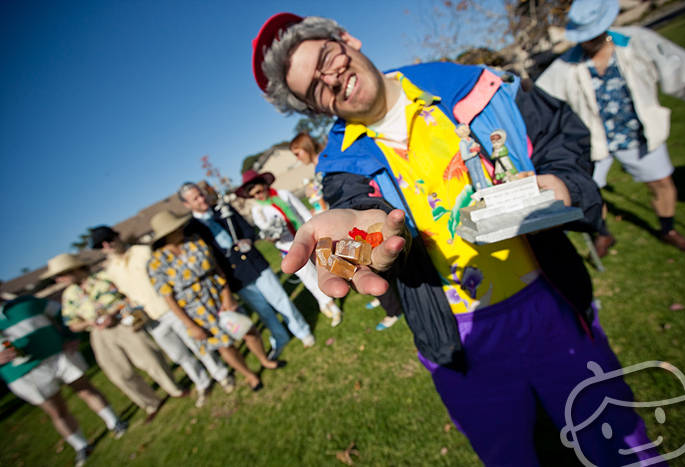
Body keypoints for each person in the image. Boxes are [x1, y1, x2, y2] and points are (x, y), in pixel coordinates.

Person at [251, 12, 660, 465]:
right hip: (458, 341)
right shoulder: (340, 165)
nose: (331, 78)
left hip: (551, 303)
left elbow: (561, 137)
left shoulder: (476, 86)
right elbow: (362, 213)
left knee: (619, 439)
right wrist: (365, 237)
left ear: (348, 39)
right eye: (315, 88)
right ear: (316, 109)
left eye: (327, 56)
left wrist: (562, 185)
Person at [536, 0, 685, 256]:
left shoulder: (636, 41)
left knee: (662, 183)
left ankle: (668, 229)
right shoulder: (565, 65)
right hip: (594, 141)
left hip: (638, 132)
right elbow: (539, 99)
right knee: (592, 192)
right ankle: (604, 233)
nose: (589, 40)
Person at [90, 226, 234, 408]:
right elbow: (126, 293)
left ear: (117, 236)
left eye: (108, 239)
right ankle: (202, 383)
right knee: (178, 355)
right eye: (101, 245)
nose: (107, 245)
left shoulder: (143, 252)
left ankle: (221, 375)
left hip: (172, 308)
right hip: (150, 318)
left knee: (198, 345)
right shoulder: (111, 270)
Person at [147, 211, 285, 392]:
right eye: (175, 228)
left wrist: (226, 294)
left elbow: (217, 268)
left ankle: (265, 360)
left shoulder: (194, 241)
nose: (181, 228)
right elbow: (169, 298)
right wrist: (190, 325)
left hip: (219, 297)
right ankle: (249, 375)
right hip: (196, 311)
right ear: (165, 235)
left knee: (246, 329)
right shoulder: (156, 263)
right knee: (223, 345)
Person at [179, 182, 315, 358]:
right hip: (235, 276)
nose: (201, 199)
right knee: (263, 310)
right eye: (195, 198)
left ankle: (302, 331)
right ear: (187, 204)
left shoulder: (223, 209)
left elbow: (247, 229)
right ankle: (280, 337)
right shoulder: (191, 229)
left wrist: (248, 241)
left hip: (254, 262)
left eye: (201, 194)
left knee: (281, 299)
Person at [46, 253, 186, 423]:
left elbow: (128, 294)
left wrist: (113, 312)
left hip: (122, 321)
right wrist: (89, 322)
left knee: (149, 358)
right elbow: (72, 323)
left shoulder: (104, 277)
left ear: (74, 269)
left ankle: (175, 390)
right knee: (119, 373)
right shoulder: (69, 295)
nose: (58, 280)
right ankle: (151, 403)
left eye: (60, 275)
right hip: (98, 334)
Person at [291, 132, 404, 331]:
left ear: (306, 147)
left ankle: (392, 309)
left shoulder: (329, 160)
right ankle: (381, 299)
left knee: (369, 259)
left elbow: (338, 191)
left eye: (297, 152)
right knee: (359, 264)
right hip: (335, 220)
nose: (296, 158)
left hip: (348, 217)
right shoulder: (319, 168)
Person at [1, 295, 127, 467]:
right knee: (56, 411)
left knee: (86, 389)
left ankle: (115, 422)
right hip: (22, 373)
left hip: (59, 354)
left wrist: (70, 336)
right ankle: (82, 446)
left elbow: (63, 313)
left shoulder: (27, 302)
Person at [234, 170, 343, 327]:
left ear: (264, 185)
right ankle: (331, 306)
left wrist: (314, 231)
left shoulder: (284, 195)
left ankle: (327, 298)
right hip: (289, 247)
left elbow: (303, 212)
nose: (258, 196)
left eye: (259, 191)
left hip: (307, 238)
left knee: (324, 266)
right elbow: (267, 232)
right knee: (308, 277)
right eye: (254, 195)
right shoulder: (258, 211)